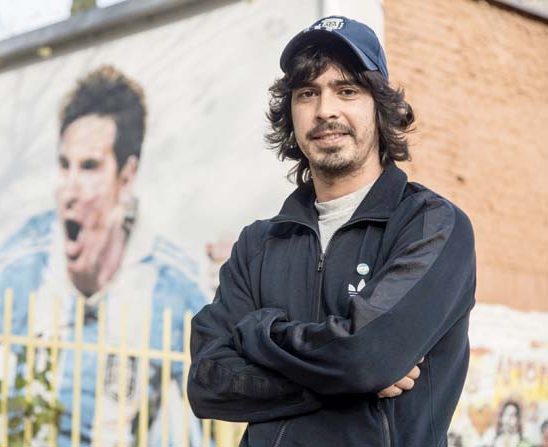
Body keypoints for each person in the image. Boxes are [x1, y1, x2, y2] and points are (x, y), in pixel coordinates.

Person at [187, 15, 476, 446]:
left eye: (347, 90)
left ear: (379, 106)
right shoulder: (258, 244)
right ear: (291, 112)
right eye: (308, 93)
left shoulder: (430, 225)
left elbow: (366, 357)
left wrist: (258, 333)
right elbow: (207, 383)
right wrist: (334, 376)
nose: (326, 110)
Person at [0, 65, 208, 446]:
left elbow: (221, 418)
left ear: (126, 175)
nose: (69, 190)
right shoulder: (28, 261)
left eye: (89, 167)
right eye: (64, 164)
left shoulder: (171, 284)